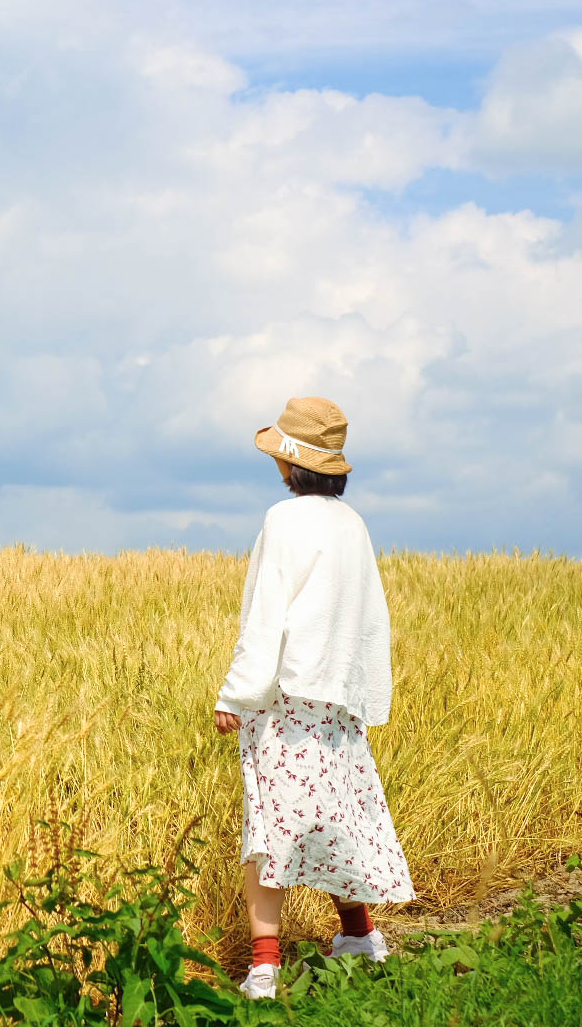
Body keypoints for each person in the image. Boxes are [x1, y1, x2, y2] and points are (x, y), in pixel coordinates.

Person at [212, 396, 414, 1000]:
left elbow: (267, 614)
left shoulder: (283, 519)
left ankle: (264, 968)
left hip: (286, 697)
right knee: (337, 816)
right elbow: (368, 617)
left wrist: (236, 693)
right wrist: (358, 689)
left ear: (289, 464)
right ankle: (359, 935)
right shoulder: (353, 525)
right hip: (337, 698)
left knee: (271, 825)